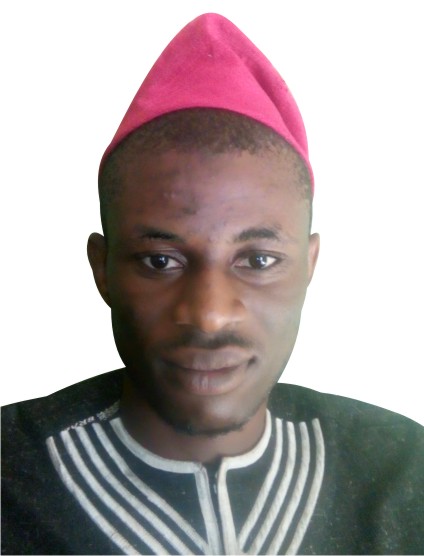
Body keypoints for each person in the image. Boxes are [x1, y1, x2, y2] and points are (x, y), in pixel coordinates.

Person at [2, 12, 423, 556]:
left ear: (309, 266)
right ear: (102, 269)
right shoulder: (12, 476)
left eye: (259, 260)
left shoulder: (401, 472)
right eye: (160, 261)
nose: (209, 314)